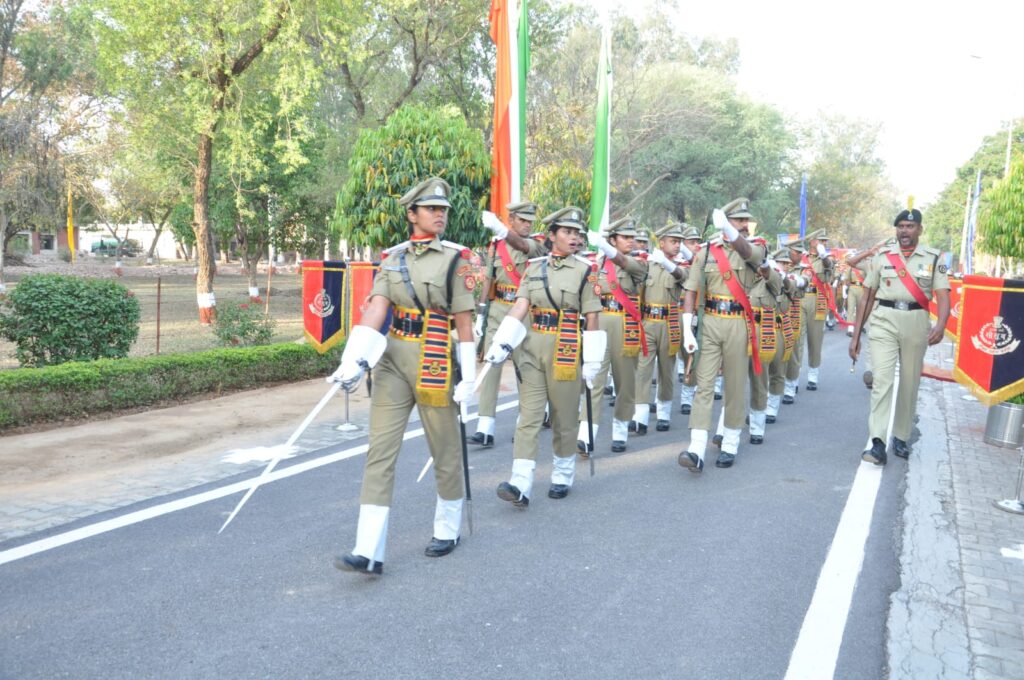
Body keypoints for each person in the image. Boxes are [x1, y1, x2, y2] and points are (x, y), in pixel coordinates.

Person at [329, 178, 477, 576]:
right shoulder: (391, 259)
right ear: (412, 215)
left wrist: (471, 376)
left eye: (443, 209)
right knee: (379, 452)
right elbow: (378, 307)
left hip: (435, 360)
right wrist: (353, 358)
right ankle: (368, 550)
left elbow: (464, 322)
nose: (440, 215)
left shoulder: (457, 259)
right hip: (393, 358)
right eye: (431, 209)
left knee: (444, 450)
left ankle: (447, 528)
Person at [480, 207, 603, 505]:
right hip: (532, 349)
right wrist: (501, 341)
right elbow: (520, 306)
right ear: (551, 236)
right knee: (529, 415)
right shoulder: (534, 269)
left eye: (577, 233)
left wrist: (593, 360)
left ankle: (562, 473)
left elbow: (592, 317)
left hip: (567, 349)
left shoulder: (586, 270)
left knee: (563, 418)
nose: (573, 238)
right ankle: (520, 481)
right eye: (567, 232)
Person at [849, 208, 950, 465]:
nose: (905, 231)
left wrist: (941, 324)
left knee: (909, 381)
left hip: (917, 322)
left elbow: (943, 294)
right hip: (884, 320)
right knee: (882, 380)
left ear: (919, 230)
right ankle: (878, 442)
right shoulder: (883, 257)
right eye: (901, 226)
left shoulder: (934, 257)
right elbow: (867, 296)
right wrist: (856, 335)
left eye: (910, 226)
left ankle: (901, 436)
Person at [677, 198, 768, 471]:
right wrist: (687, 330)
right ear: (727, 220)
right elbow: (691, 291)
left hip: (739, 322)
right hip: (710, 322)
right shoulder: (706, 253)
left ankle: (730, 442)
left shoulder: (757, 247)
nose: (744, 225)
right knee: (703, 385)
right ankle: (696, 448)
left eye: (745, 221)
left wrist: (729, 231)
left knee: (734, 385)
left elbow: (750, 254)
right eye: (738, 220)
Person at [470, 201, 547, 447]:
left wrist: (502, 230)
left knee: (524, 368)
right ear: (511, 218)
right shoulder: (496, 244)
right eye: (522, 220)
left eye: (529, 221)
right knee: (492, 364)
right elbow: (489, 280)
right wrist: (481, 312)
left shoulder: (537, 243)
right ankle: (485, 427)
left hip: (525, 312)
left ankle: (525, 423)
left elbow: (523, 245)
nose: (527, 225)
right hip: (499, 309)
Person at [578, 217, 649, 453]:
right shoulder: (596, 263)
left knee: (624, 381)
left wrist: (607, 249)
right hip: (599, 321)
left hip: (624, 323)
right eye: (626, 237)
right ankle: (587, 435)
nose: (632, 241)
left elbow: (626, 264)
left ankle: (620, 429)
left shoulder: (639, 262)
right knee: (594, 378)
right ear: (613, 239)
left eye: (633, 237)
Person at [631, 222, 688, 434]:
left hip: (670, 323)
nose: (677, 246)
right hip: (648, 322)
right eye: (673, 241)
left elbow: (683, 277)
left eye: (679, 242)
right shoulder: (648, 264)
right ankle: (641, 417)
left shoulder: (681, 264)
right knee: (643, 369)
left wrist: (666, 262)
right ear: (661, 242)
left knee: (666, 370)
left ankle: (663, 412)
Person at [799, 232, 835, 391]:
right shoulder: (800, 257)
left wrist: (823, 255)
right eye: (821, 240)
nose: (824, 243)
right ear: (811, 241)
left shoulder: (827, 258)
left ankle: (813, 374)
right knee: (795, 339)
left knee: (815, 339)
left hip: (817, 299)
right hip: (799, 299)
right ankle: (793, 376)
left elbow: (829, 267)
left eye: (825, 241)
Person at [676, 226, 703, 414]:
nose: (696, 245)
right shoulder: (672, 262)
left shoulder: (699, 262)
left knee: (690, 355)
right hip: (671, 313)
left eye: (697, 242)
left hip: (691, 313)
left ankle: (687, 395)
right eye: (691, 242)